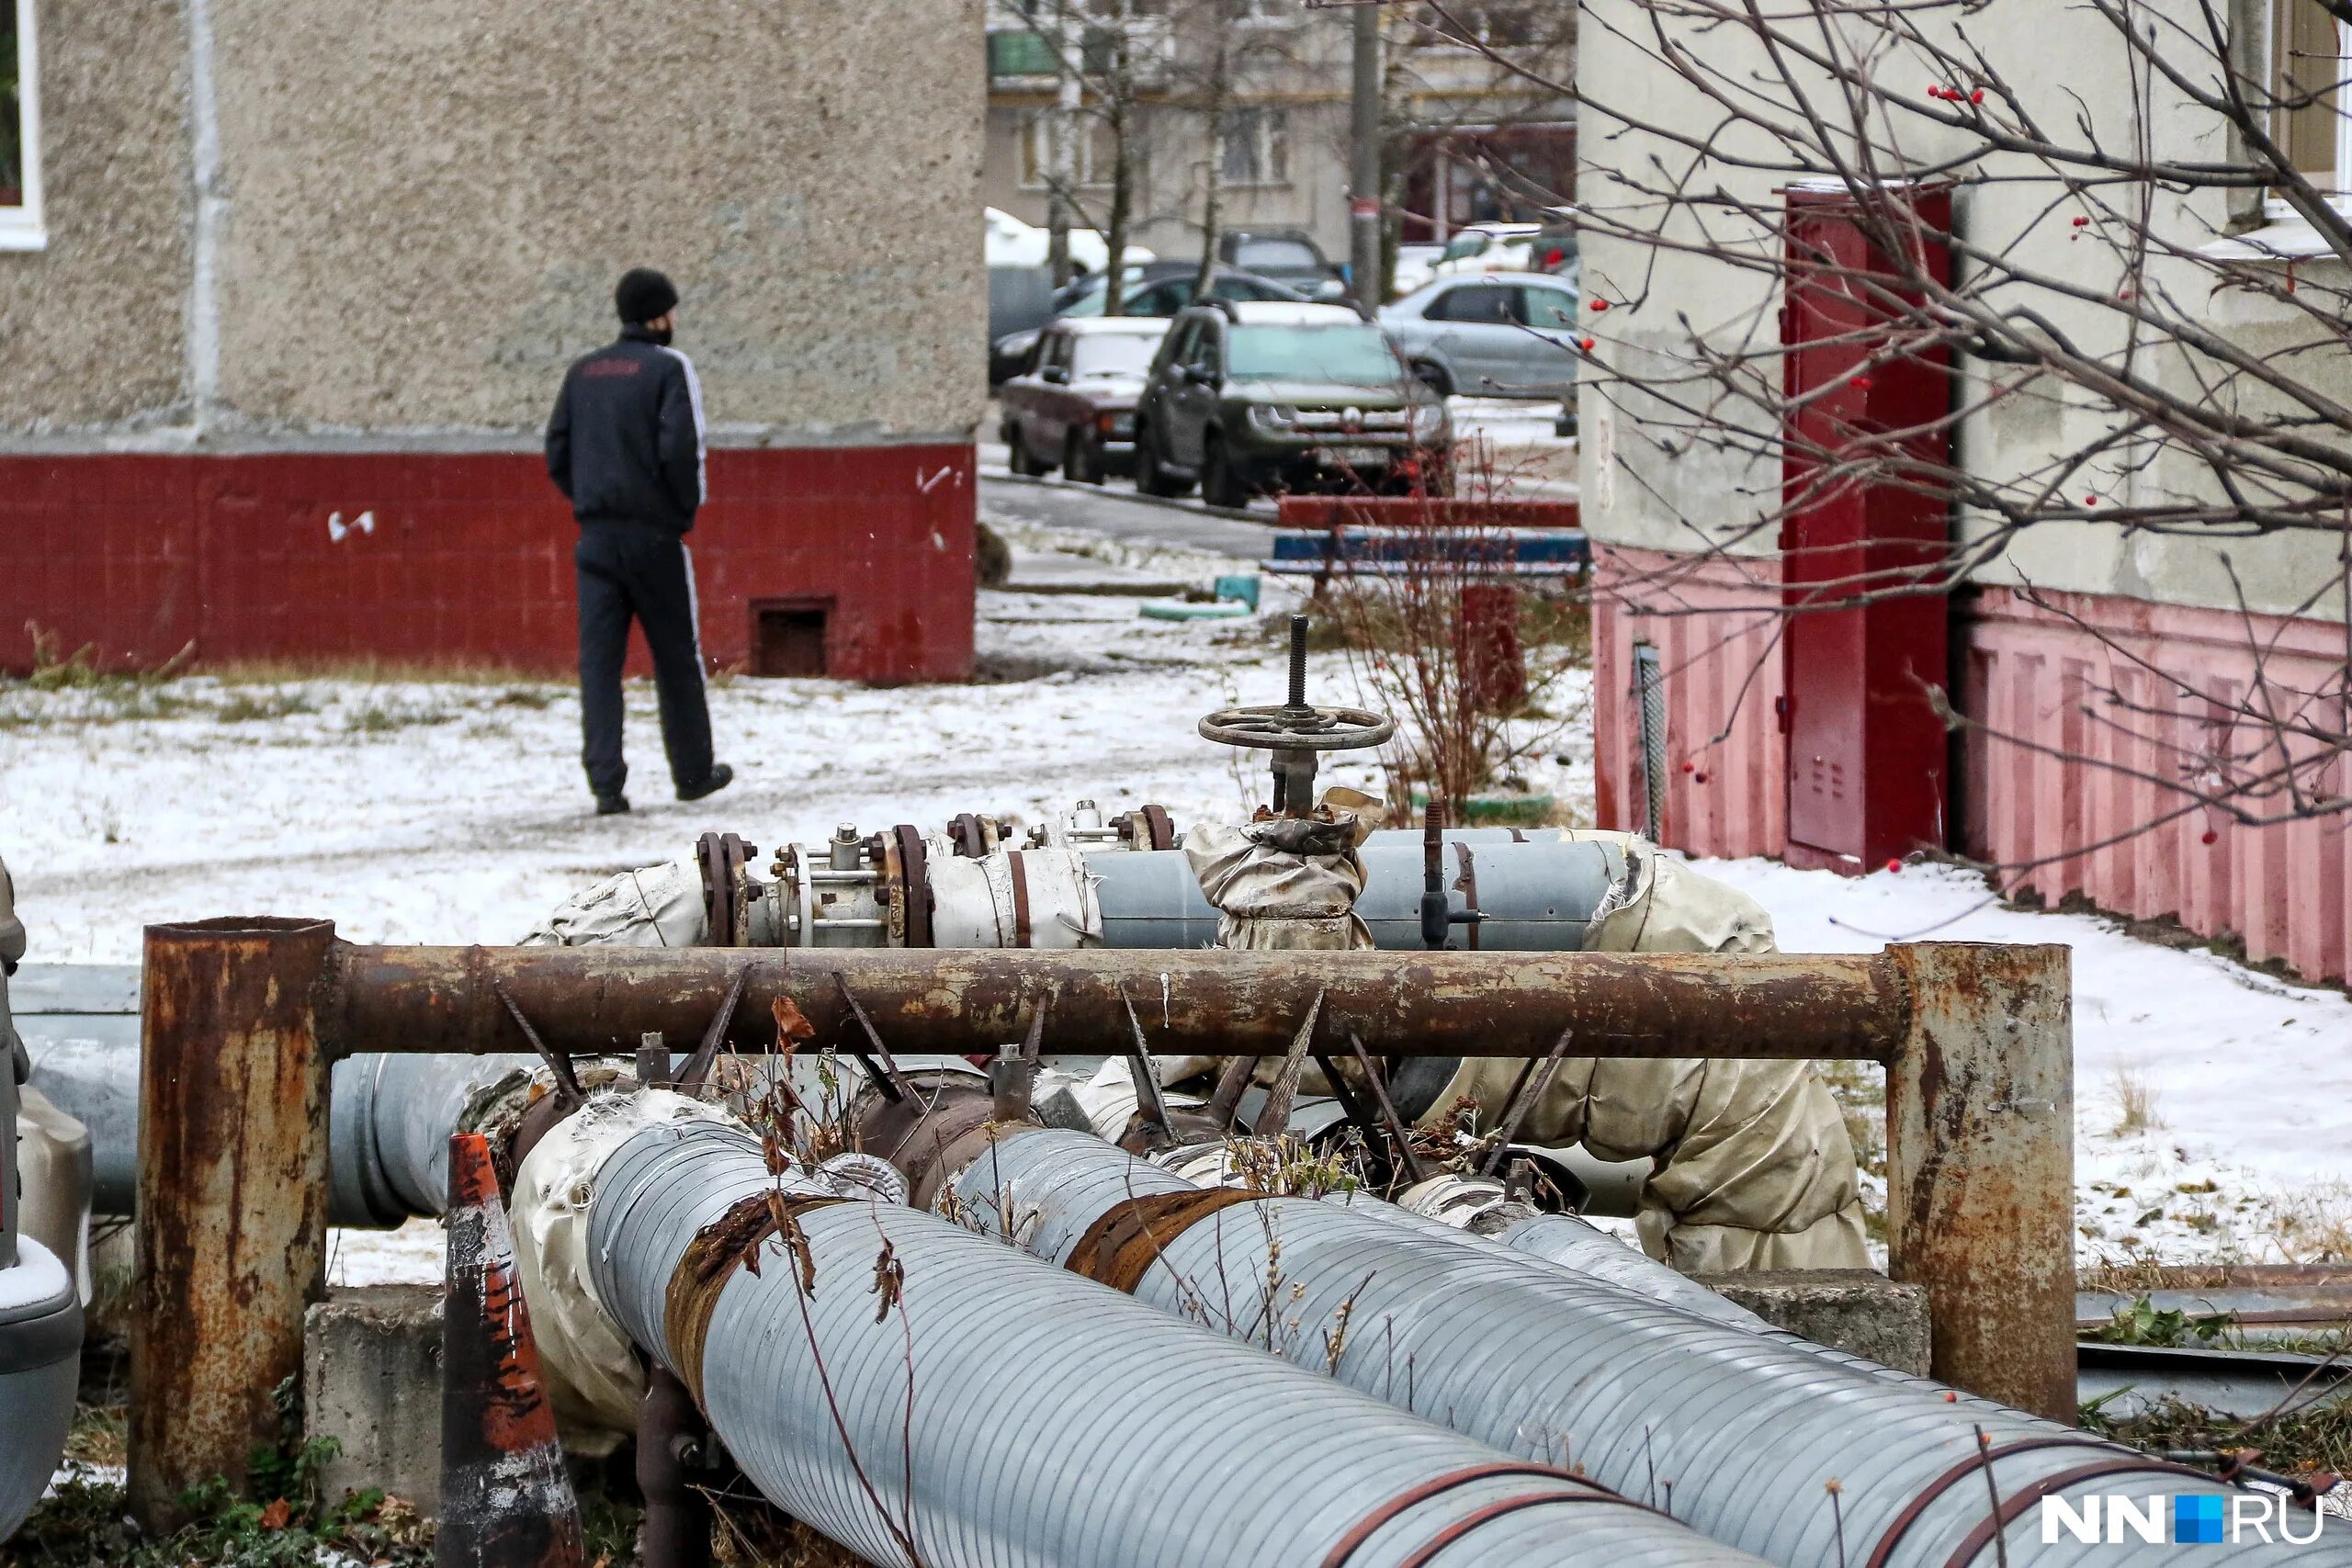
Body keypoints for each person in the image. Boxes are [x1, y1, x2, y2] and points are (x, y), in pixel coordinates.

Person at [545, 267, 733, 815]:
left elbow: (556, 451)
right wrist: (677, 514)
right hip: (653, 538)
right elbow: (683, 450)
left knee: (599, 663)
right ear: (659, 314)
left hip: (595, 538)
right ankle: (693, 772)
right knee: (676, 656)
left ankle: (606, 785)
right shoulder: (670, 369)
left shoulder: (583, 372)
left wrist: (589, 498)